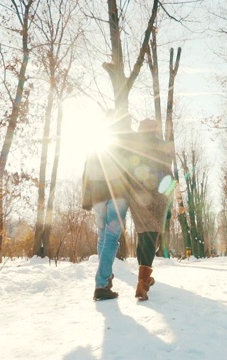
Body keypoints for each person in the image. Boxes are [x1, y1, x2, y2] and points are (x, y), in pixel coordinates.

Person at [81, 112, 134, 301]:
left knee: (103, 238)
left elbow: (87, 170)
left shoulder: (99, 141)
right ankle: (102, 283)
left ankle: (105, 278)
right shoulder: (128, 142)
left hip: (98, 196)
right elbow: (134, 170)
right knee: (111, 238)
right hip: (118, 195)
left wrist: (86, 199)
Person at [127, 118, 173, 301]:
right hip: (157, 197)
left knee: (143, 236)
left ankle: (143, 279)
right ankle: (142, 284)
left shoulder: (132, 146)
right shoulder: (162, 146)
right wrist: (168, 203)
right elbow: (169, 174)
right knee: (151, 238)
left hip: (137, 197)